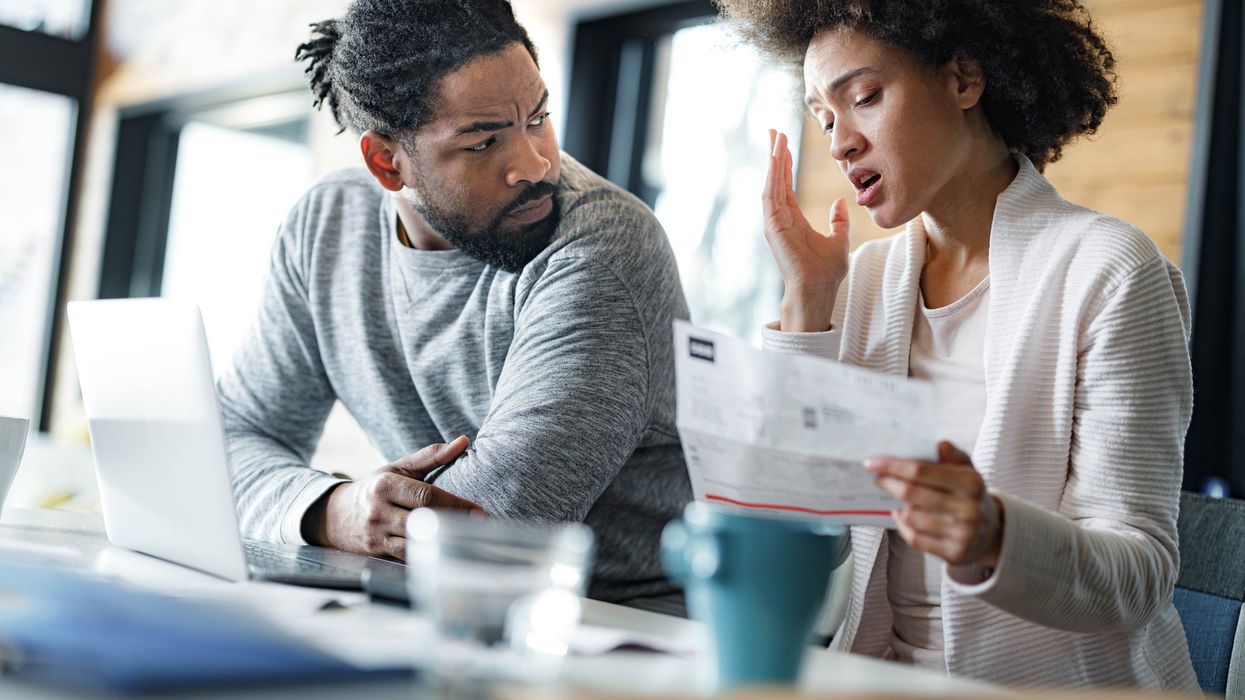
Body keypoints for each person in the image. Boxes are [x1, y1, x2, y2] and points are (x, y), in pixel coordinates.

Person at [717, 0, 1198, 689]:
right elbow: (776, 540)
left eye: (863, 98)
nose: (839, 142)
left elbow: (1139, 574)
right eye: (823, 117)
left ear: (964, 79)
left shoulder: (1111, 270)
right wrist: (806, 305)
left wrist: (992, 538)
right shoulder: (864, 281)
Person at [216, 0, 692, 611]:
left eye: (539, 117)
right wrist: (335, 510)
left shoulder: (603, 246)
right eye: (484, 141)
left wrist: (367, 514)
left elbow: (492, 525)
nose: (535, 163)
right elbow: (231, 440)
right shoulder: (327, 228)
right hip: (420, 602)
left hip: (623, 623)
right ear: (387, 162)